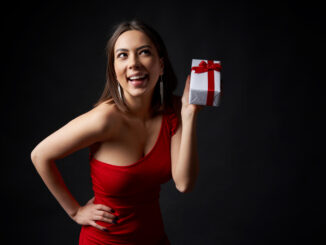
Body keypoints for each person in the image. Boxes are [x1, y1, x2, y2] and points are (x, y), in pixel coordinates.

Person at [30, 19, 203, 245]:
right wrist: (75, 212)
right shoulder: (104, 119)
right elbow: (39, 155)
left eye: (144, 52)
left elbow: (184, 184)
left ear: (161, 65)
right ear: (114, 69)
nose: (134, 63)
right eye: (123, 55)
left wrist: (188, 115)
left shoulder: (174, 111)